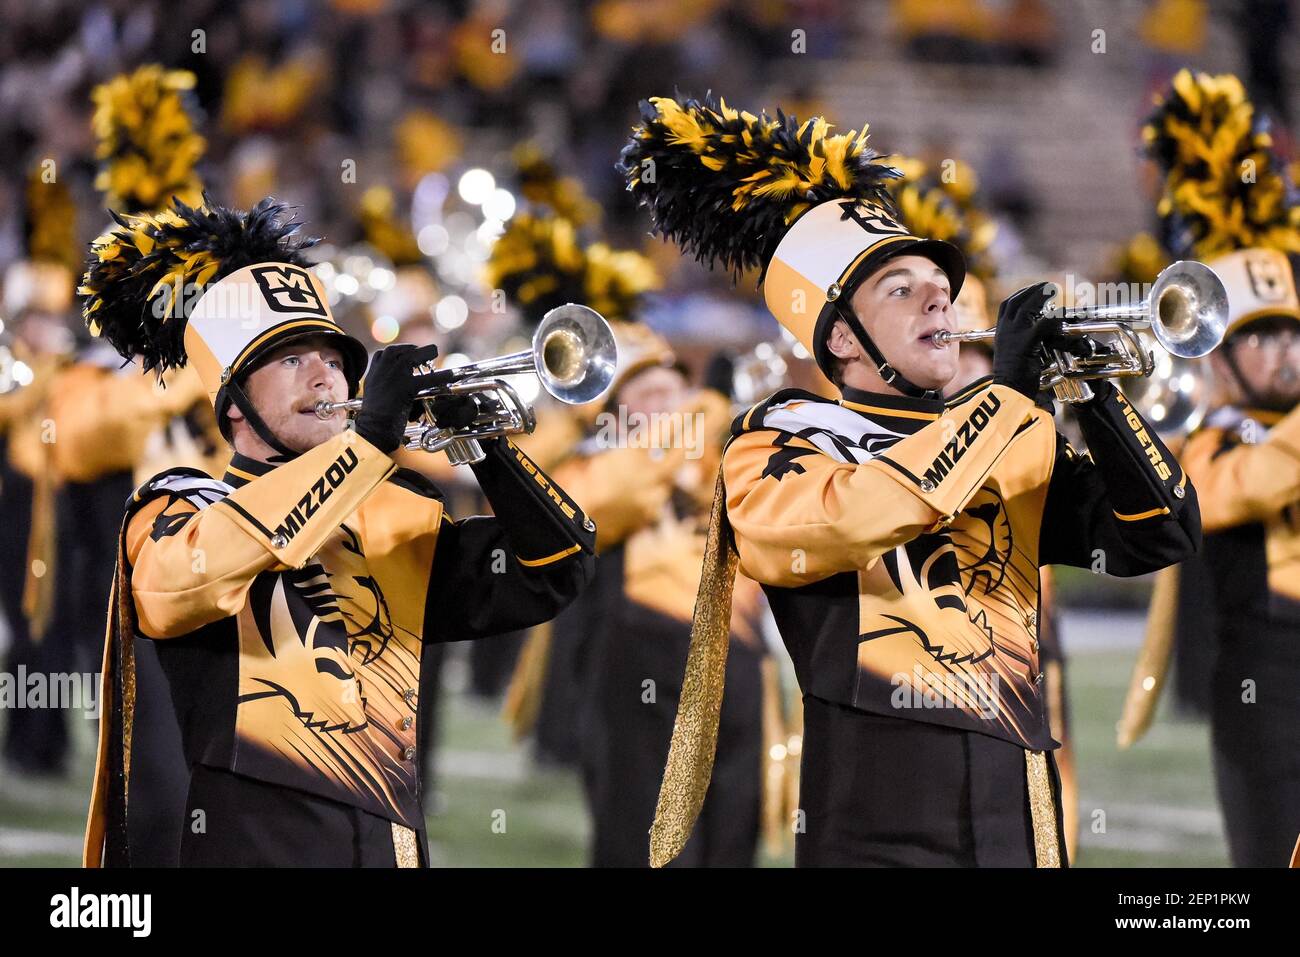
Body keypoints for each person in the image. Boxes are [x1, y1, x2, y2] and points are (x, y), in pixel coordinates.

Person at [620, 94, 1200, 867]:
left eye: (941, 283)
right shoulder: (777, 439)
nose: (940, 296)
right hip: (870, 825)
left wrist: (1093, 393)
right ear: (840, 338)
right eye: (901, 287)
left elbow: (1160, 530)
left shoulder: (1002, 432)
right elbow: (855, 517)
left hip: (1015, 821)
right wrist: (1008, 400)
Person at [79, 196, 596, 867]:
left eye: (332, 355)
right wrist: (368, 446)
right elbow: (189, 579)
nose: (326, 374)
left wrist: (488, 447)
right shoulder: (179, 507)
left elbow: (556, 567)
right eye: (292, 360)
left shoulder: (392, 516)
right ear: (234, 404)